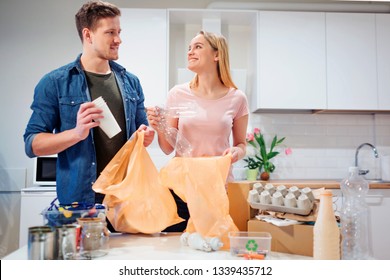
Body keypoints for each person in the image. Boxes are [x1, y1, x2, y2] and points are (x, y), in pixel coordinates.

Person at [23, 1, 155, 209]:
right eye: (110, 32)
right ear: (88, 34)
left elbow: (142, 133)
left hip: (127, 199)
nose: (118, 40)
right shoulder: (55, 83)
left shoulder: (131, 82)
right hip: (80, 203)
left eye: (119, 32)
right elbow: (32, 144)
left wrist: (146, 135)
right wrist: (76, 133)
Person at [147, 30, 249, 231]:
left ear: (216, 55)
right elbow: (168, 149)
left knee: (215, 248)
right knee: (176, 249)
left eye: (198, 47)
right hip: (182, 189)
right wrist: (159, 128)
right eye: (189, 48)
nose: (190, 52)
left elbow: (241, 144)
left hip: (219, 189)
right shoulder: (177, 94)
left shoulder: (237, 98)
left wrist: (237, 152)